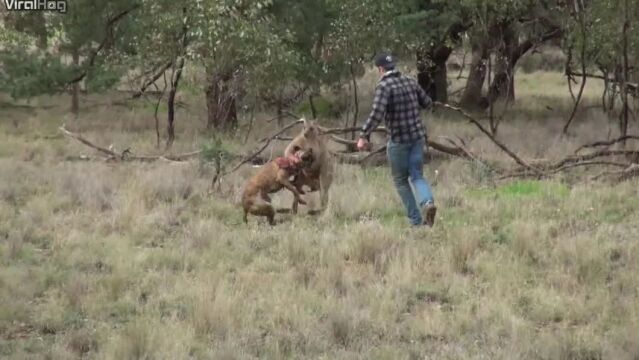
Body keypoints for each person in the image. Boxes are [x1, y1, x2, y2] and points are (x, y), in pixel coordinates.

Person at [356, 52, 437, 227]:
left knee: (400, 180)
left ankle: (416, 221)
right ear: (393, 66)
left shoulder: (384, 86)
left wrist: (363, 135)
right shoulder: (410, 81)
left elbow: (377, 113)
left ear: (380, 69)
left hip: (399, 140)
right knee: (417, 176)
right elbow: (428, 103)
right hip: (417, 138)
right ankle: (428, 202)